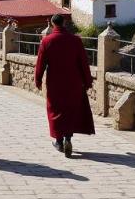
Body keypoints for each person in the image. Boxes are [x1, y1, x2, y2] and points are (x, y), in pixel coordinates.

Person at [34, 13, 95, 158]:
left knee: (56, 111)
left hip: (55, 82)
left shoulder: (47, 41)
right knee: (70, 110)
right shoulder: (76, 40)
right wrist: (87, 81)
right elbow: (83, 63)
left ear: (53, 24)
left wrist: (37, 80)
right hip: (74, 81)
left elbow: (40, 63)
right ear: (65, 23)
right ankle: (68, 138)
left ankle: (59, 141)